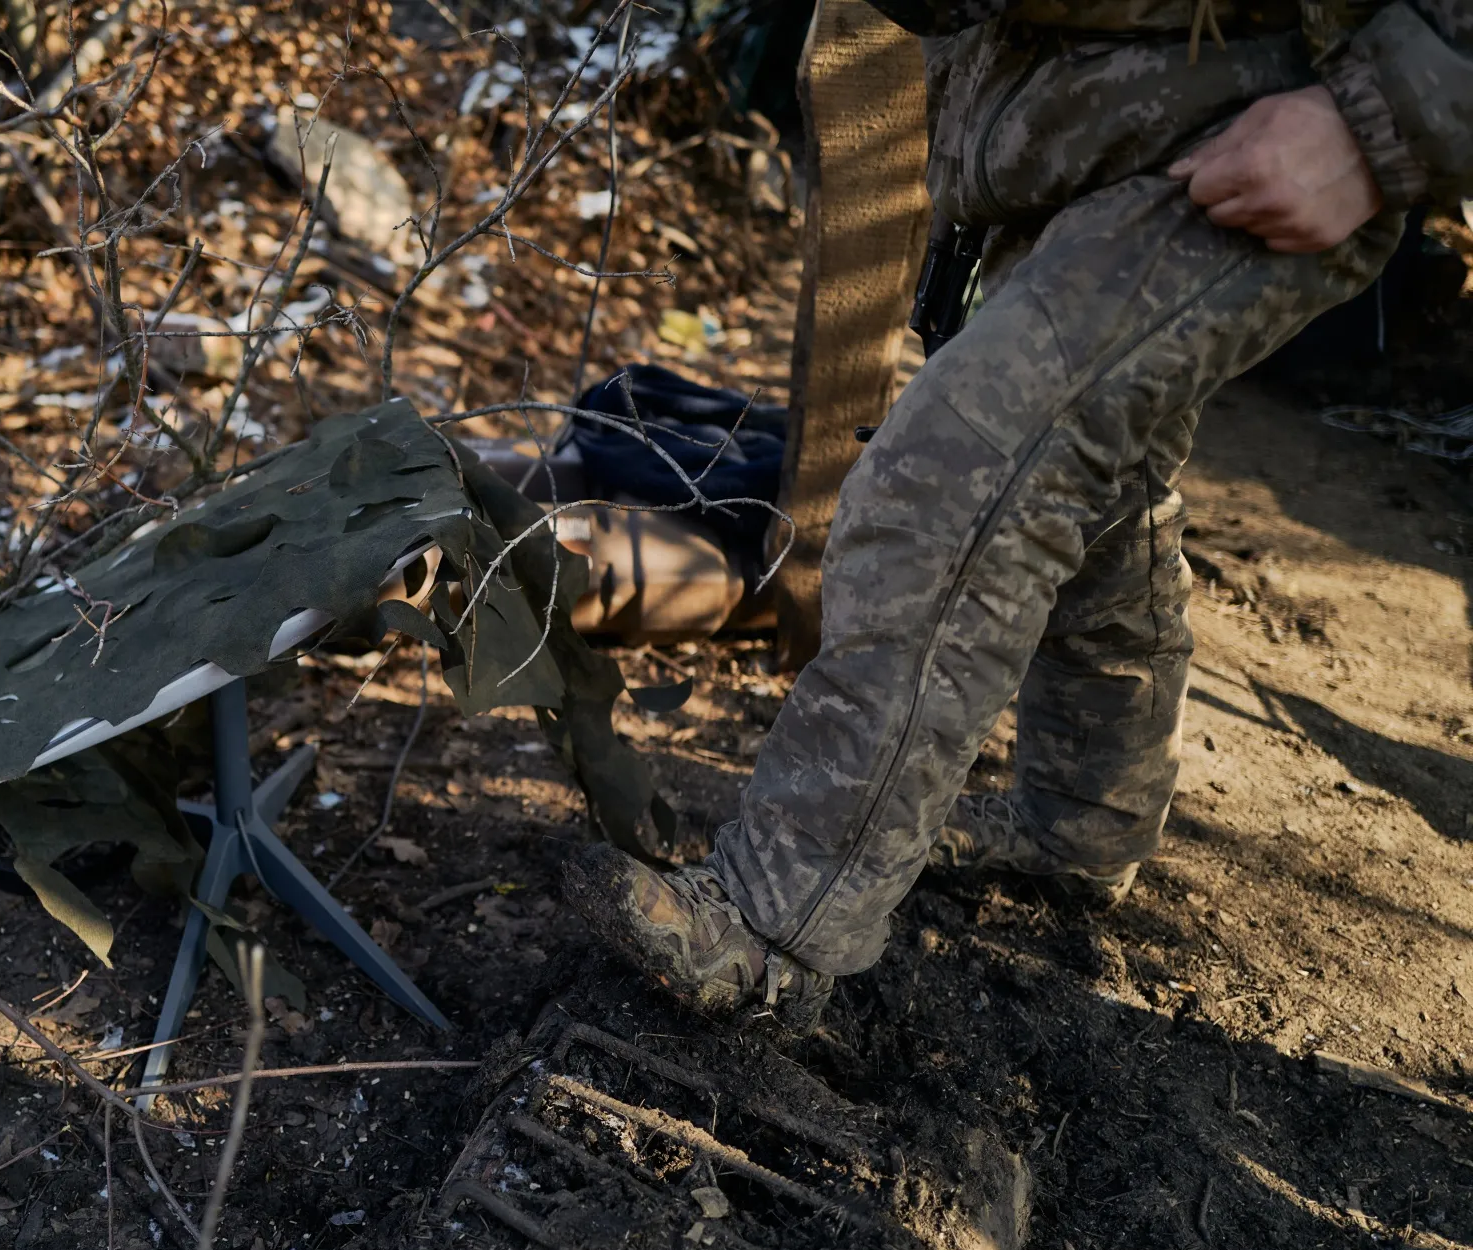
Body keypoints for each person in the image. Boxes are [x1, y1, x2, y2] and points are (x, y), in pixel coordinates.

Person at [562, 0, 1473, 1023]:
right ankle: (1085, 823)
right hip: (1066, 131)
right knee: (1100, 477)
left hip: (1266, 114)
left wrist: (1381, 115)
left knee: (954, 469)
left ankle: (776, 928)